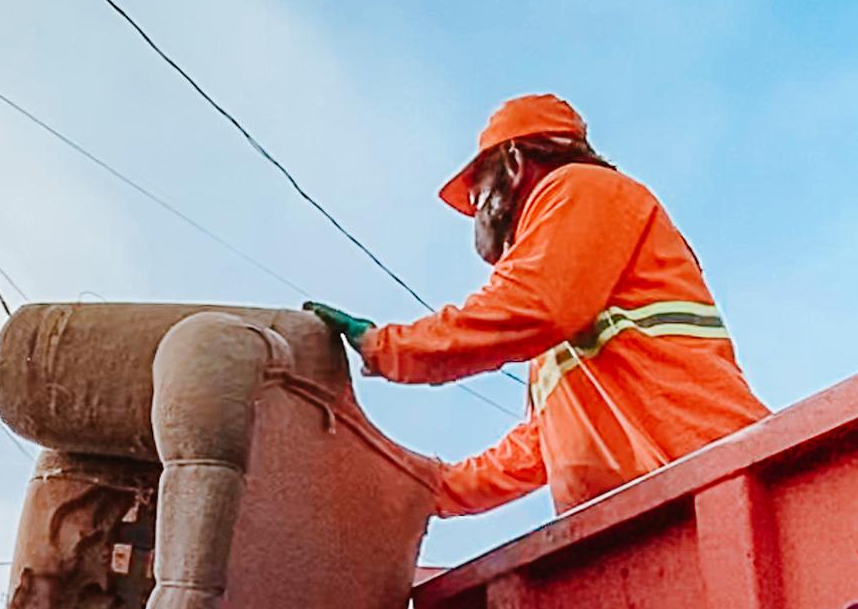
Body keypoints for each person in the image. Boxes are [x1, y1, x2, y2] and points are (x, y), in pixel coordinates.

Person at [308, 94, 770, 518]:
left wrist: (385, 346)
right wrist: (432, 488)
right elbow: (539, 444)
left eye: (477, 191)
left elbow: (527, 305)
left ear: (513, 162)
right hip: (665, 506)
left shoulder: (580, 188)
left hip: (717, 473)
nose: (478, 210)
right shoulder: (568, 308)